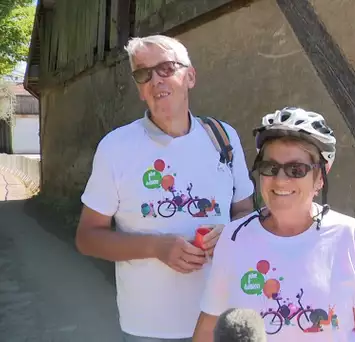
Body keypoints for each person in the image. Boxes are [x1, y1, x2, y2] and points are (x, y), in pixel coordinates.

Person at [75, 35, 255, 342]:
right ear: (140, 89)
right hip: (149, 328)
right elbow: (87, 238)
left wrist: (230, 233)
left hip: (221, 322)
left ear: (190, 76)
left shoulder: (224, 137)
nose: (155, 79)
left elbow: (245, 212)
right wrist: (155, 248)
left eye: (166, 68)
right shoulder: (116, 148)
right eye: (143, 73)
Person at [192, 107, 355, 341]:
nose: (280, 180)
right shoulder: (234, 237)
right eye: (270, 167)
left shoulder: (349, 236)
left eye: (296, 170)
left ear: (320, 176)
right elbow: (208, 329)